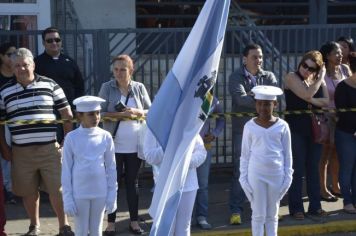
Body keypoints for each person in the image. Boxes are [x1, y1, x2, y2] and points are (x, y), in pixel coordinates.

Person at [0, 48, 74, 236]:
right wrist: (5, 148)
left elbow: (67, 114)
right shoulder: (4, 91)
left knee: (57, 189)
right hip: (21, 152)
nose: (21, 69)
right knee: (28, 191)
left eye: (25, 64)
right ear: (12, 68)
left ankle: (64, 226)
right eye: (17, 65)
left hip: (50, 148)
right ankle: (34, 226)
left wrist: (67, 141)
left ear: (33, 64)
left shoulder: (50, 85)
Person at [98, 54, 151, 235]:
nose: (119, 73)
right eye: (116, 70)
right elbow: (100, 115)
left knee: (132, 183)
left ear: (131, 70)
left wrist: (135, 111)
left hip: (135, 145)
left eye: (123, 69)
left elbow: (150, 112)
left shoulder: (139, 87)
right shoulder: (107, 87)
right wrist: (121, 115)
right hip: (113, 144)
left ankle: (134, 222)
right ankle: (110, 223)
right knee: (112, 183)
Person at [228, 43, 278, 225]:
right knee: (241, 170)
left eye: (261, 57)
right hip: (243, 130)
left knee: (265, 167)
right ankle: (236, 210)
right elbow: (240, 100)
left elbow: (274, 99)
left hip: (267, 131)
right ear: (245, 59)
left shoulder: (269, 76)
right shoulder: (235, 76)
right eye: (255, 57)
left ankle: (263, 209)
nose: (259, 60)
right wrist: (263, 97)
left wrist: (253, 95)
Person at [239, 85, 293, 236]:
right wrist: (243, 178)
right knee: (258, 214)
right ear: (255, 104)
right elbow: (244, 156)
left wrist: (288, 177)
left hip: (276, 175)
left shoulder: (283, 126)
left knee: (272, 214)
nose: (263, 107)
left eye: (267, 104)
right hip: (256, 174)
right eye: (260, 103)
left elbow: (288, 155)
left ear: (275, 104)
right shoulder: (249, 126)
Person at [61, 96, 117, 235]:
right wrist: (67, 198)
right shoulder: (71, 137)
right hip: (80, 192)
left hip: (100, 191)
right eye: (91, 114)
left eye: (98, 112)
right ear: (80, 116)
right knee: (80, 230)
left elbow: (111, 168)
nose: (96, 117)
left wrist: (112, 195)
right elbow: (66, 170)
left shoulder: (105, 136)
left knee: (96, 230)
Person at [284, 50, 329, 220]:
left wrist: (310, 99)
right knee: (297, 169)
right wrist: (320, 78)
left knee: (313, 168)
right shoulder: (291, 77)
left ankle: (315, 206)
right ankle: (296, 208)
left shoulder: (316, 80)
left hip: (315, 129)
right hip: (296, 128)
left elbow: (326, 101)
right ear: (300, 63)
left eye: (311, 69)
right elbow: (307, 94)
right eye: (304, 65)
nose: (306, 70)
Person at [142, 129, 207, 236]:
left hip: (188, 185)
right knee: (166, 228)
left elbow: (201, 152)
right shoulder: (155, 127)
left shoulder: (188, 125)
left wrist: (185, 162)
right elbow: (149, 156)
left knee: (184, 227)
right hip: (165, 186)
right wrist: (168, 147)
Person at [35, 27, 84, 143]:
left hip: (69, 112)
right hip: (48, 112)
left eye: (57, 40)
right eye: (49, 40)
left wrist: (77, 107)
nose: (54, 43)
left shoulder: (69, 61)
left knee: (70, 144)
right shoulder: (36, 63)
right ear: (43, 43)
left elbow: (79, 86)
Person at [319, 41, 351, 202]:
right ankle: (323, 189)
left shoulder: (345, 69)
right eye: (336, 53)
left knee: (338, 154)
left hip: (343, 118)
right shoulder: (321, 72)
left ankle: (335, 185)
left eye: (340, 52)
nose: (340, 55)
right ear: (327, 56)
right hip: (327, 119)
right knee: (325, 155)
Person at [195, 94, 224, 230]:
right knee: (182, 185)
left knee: (202, 185)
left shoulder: (210, 99)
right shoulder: (183, 96)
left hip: (203, 147)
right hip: (184, 147)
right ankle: (184, 217)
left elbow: (221, 117)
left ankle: (202, 216)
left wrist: (214, 133)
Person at [334, 55, 356, 214]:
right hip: (346, 133)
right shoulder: (342, 87)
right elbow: (343, 113)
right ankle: (347, 201)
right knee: (347, 168)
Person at [0, 42, 17, 206]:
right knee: (4, 158)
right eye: (9, 54)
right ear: (2, 57)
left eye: (15, 54)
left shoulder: (18, 75)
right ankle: (7, 190)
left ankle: (14, 189)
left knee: (14, 157)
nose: (13, 57)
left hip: (16, 122)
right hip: (2, 123)